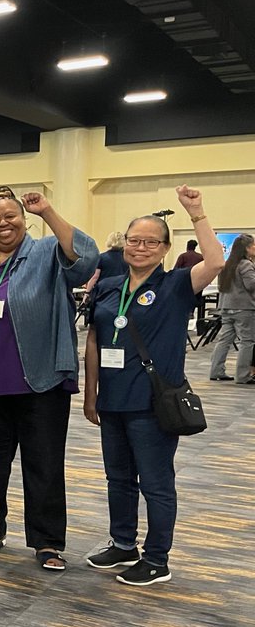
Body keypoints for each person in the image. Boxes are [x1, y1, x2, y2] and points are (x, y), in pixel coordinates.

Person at [0, 185, 98, 571]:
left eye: (11, 215)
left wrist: (47, 210)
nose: (4, 224)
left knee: (44, 463)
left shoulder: (47, 252)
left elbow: (86, 259)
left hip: (40, 380)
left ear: (23, 217)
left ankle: (47, 542)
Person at [83, 187, 224, 585]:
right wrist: (91, 392)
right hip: (112, 400)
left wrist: (195, 210)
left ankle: (157, 558)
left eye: (150, 242)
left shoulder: (176, 285)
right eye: (133, 240)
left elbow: (215, 261)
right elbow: (94, 339)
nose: (140, 247)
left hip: (152, 403)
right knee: (118, 478)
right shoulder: (110, 286)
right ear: (124, 243)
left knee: (156, 483)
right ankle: (123, 543)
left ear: (164, 249)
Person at [208, 234, 255, 384]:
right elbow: (251, 285)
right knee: (247, 341)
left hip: (226, 307)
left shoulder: (226, 264)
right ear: (247, 248)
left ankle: (216, 371)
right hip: (243, 308)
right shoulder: (246, 265)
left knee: (224, 340)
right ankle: (243, 375)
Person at [173, 240, 206, 324]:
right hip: (198, 281)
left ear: (187, 246)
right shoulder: (200, 257)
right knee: (195, 297)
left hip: (184, 281)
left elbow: (176, 269)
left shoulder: (183, 256)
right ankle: (191, 311)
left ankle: (185, 312)